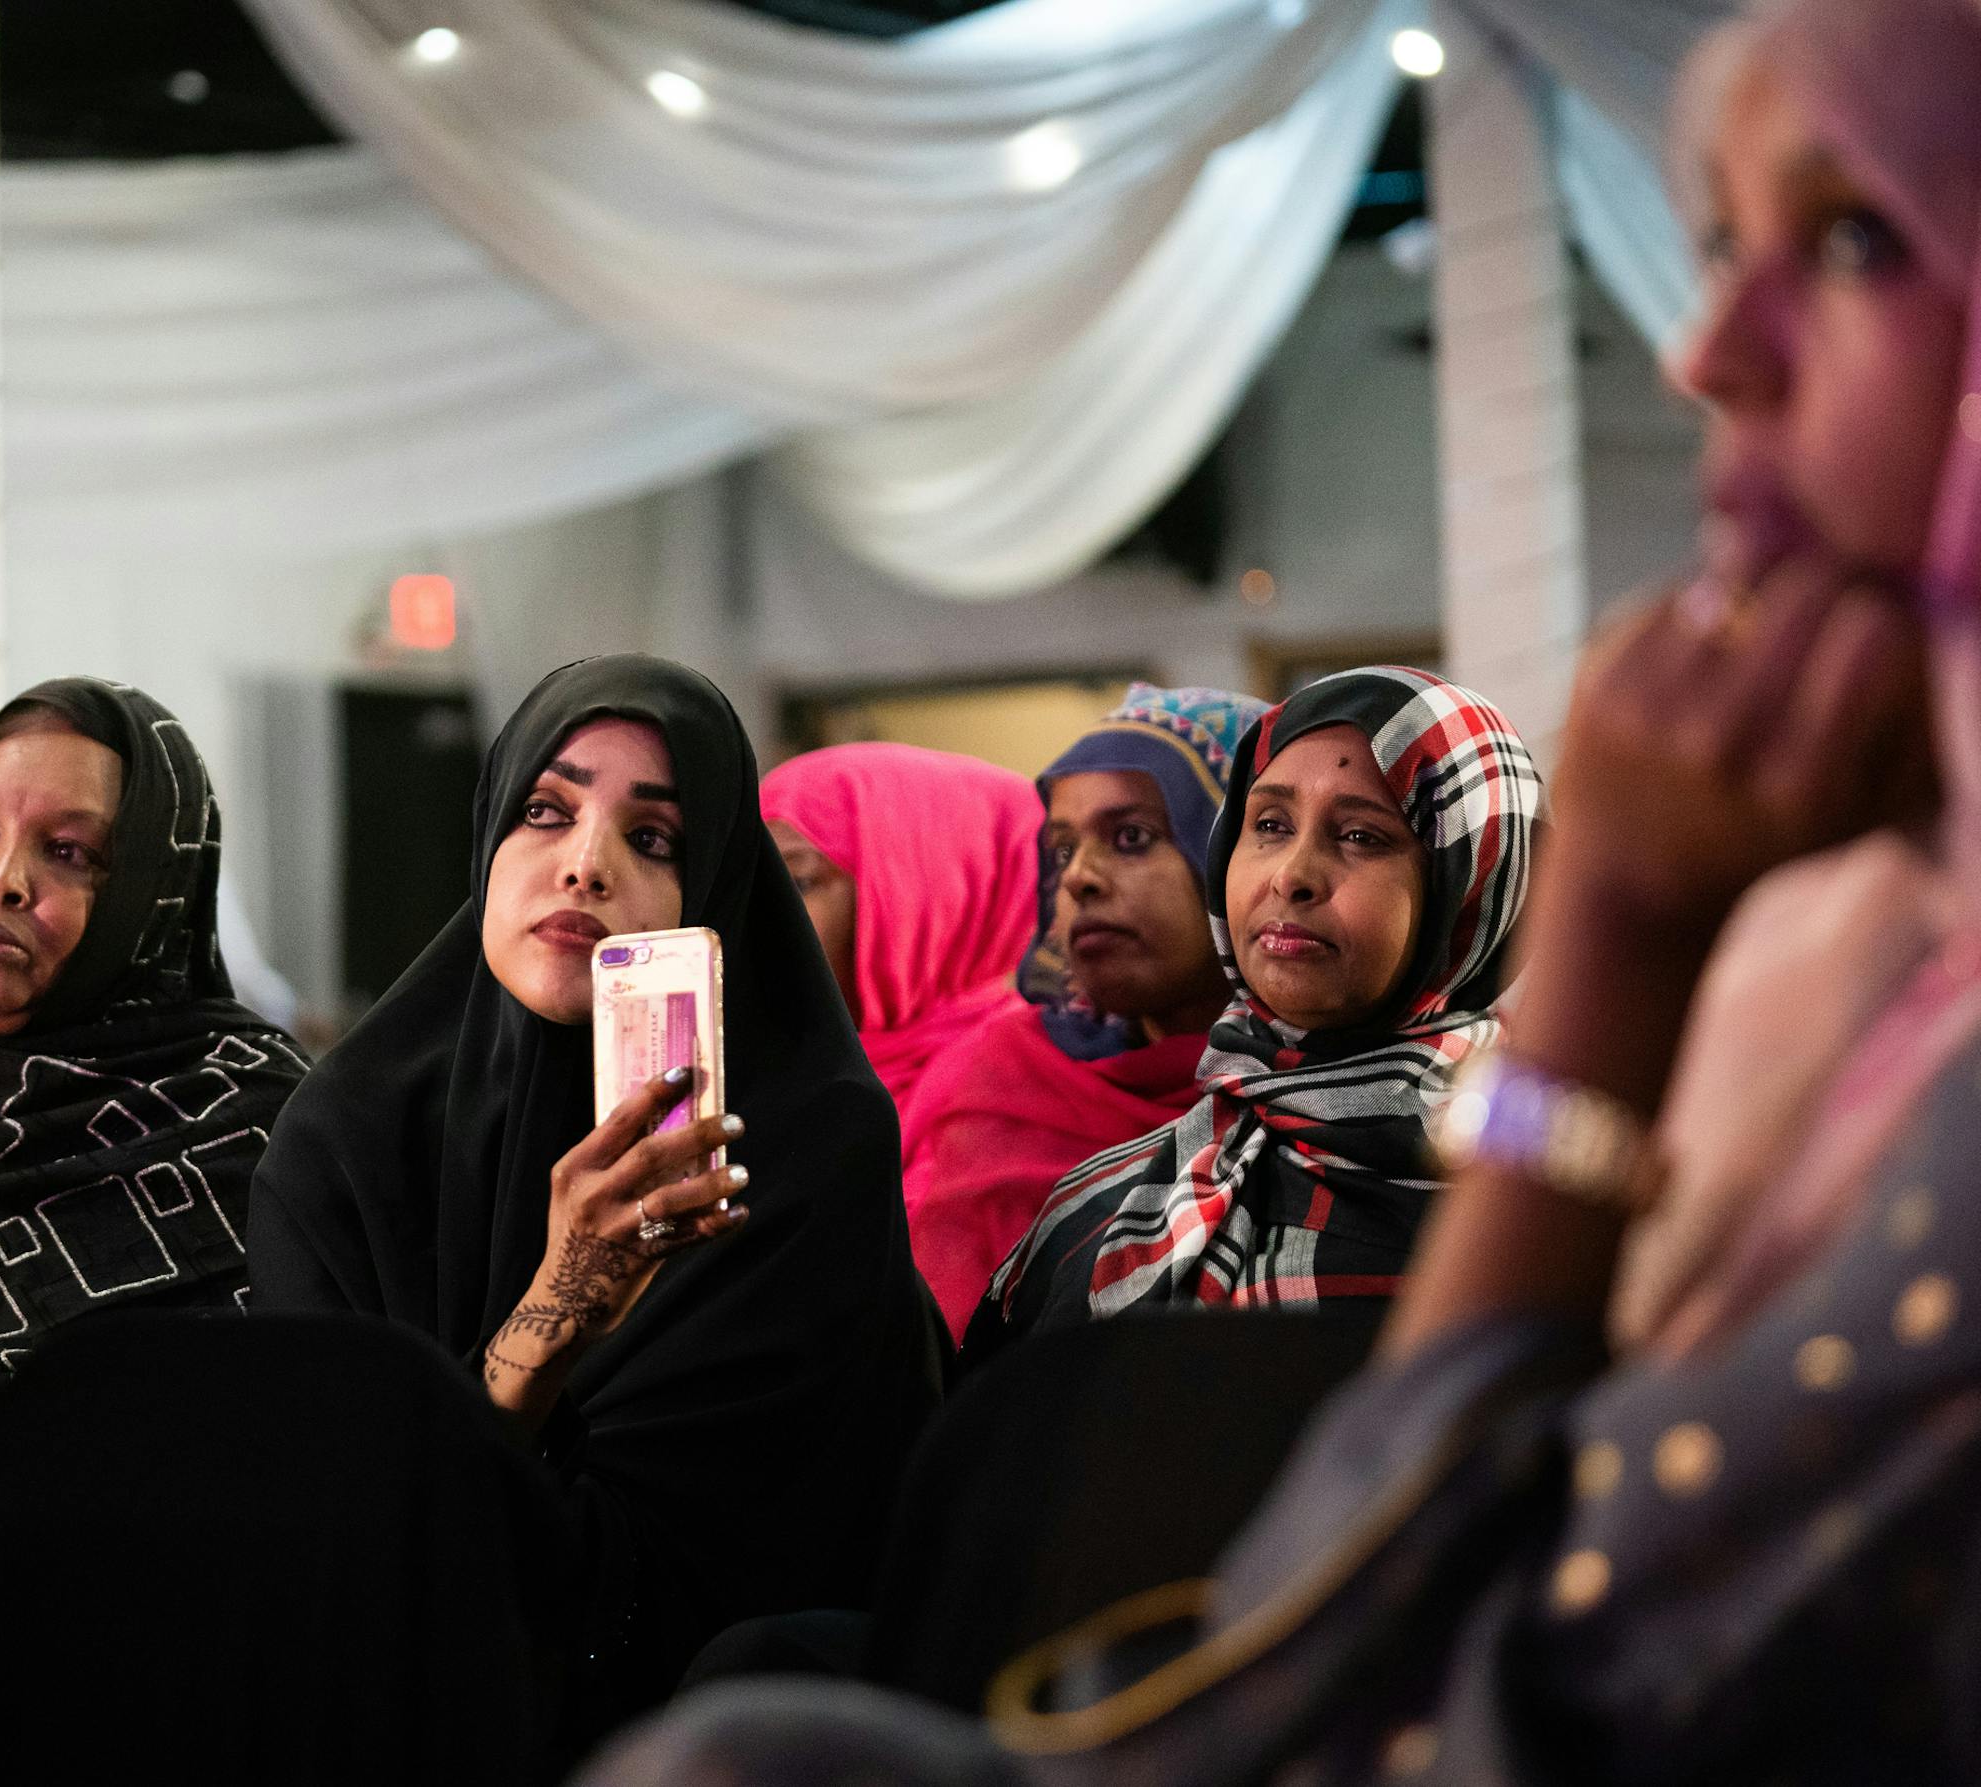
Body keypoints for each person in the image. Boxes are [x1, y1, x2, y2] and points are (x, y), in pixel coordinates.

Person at [573, 0, 1981, 1778]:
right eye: (1717, 243)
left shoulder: (1714, 998)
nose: (1710, 350)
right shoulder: (1821, 959)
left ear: (1475, 875)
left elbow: (1506, 1660)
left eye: (1858, 236)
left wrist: (1619, 935)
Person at [245, 654, 941, 1758]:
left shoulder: (807, 1146)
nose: (585, 864)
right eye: (545, 810)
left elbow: (741, 1576)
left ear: (712, 886)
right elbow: (338, 1538)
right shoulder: (350, 1138)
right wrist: (558, 1303)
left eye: (652, 838)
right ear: (488, 839)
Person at [0, 679, 303, 1785]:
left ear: (155, 890)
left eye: (72, 852)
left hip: (67, 1649)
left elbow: (204, 1476)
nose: (0, 877)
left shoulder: (250, 1117)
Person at [965, 669, 1540, 1354]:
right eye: (1268, 824)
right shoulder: (1095, 1210)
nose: (1291, 874)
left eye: (1361, 835)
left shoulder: (1537, 1220)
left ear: (1468, 890)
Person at [904, 684, 1267, 1342]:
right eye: (1063, 848)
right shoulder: (1007, 1083)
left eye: (1131, 836)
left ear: (1246, 851)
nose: (1078, 878)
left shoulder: (1331, 1094)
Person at [759, 743, 1039, 1159]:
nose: (755, 916)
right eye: (751, 883)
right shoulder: (765, 1084)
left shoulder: (1029, 1104)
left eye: (798, 882)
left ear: (920, 897)